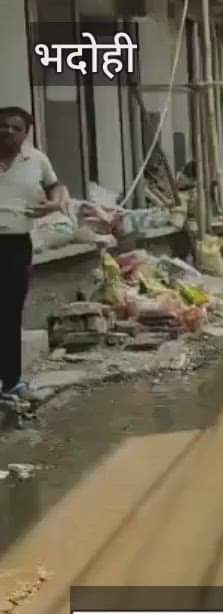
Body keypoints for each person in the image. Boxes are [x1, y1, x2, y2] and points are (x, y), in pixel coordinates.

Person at [0, 107, 69, 401]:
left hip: (16, 244)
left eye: (16, 128)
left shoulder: (36, 160)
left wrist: (54, 204)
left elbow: (57, 187)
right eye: (3, 127)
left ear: (26, 133)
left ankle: (11, 382)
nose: (8, 132)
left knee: (10, 313)